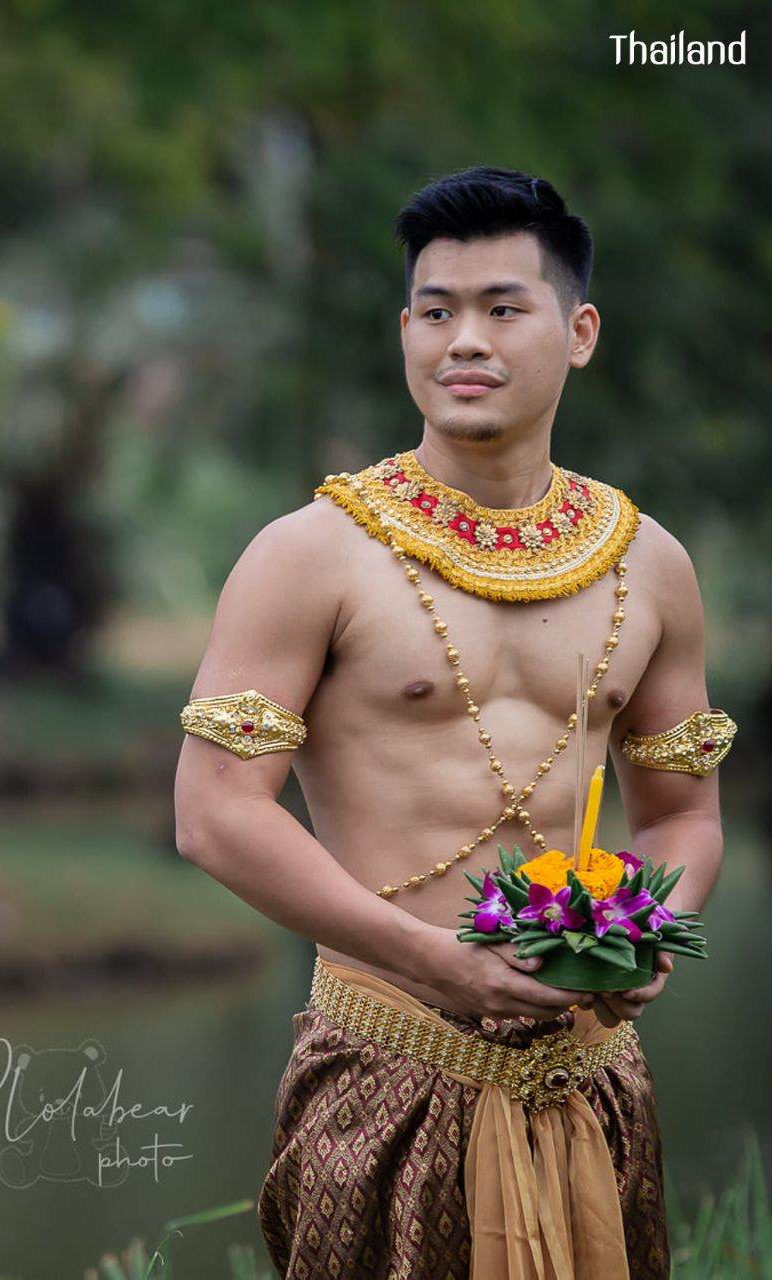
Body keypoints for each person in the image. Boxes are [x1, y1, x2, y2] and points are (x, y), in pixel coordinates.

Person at [173, 166, 736, 1280]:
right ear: (404, 332)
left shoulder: (649, 564)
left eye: (500, 307)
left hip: (594, 1075)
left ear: (576, 331)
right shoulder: (309, 554)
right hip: (383, 1056)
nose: (461, 339)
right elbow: (213, 816)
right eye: (435, 310)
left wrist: (641, 937)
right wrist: (434, 962)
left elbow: (682, 815)